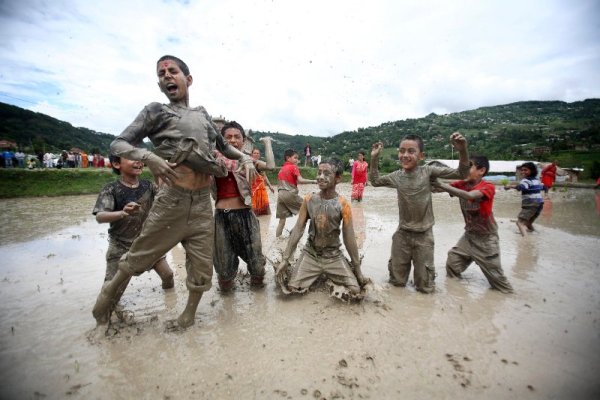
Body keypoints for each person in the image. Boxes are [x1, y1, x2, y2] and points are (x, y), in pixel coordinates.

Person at [92, 55, 256, 329]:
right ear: (159, 84)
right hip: (172, 200)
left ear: (188, 79)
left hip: (203, 203)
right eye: (161, 73)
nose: (167, 76)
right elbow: (118, 144)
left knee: (202, 266)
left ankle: (188, 315)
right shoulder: (156, 112)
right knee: (139, 255)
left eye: (173, 71)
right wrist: (149, 157)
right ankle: (107, 295)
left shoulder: (202, 115)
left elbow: (224, 149)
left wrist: (246, 158)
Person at [369, 133, 469, 293]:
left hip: (424, 236)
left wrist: (462, 150)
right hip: (402, 235)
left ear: (421, 156)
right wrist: (374, 158)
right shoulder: (397, 176)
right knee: (396, 283)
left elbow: (462, 174)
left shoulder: (428, 172)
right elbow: (374, 181)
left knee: (425, 286)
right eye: (402, 151)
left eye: (411, 151)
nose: (405, 155)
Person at [275, 158, 368, 299]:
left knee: (355, 292)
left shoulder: (343, 204)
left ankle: (337, 273)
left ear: (338, 178)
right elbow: (298, 229)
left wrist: (358, 269)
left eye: (326, 173)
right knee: (292, 289)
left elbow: (349, 239)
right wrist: (285, 259)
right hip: (311, 254)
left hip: (333, 256)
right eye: (319, 173)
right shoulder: (308, 200)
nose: (320, 177)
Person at [93, 155, 174, 299]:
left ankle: (170, 301)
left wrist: (162, 177)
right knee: (113, 289)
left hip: (147, 243)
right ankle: (107, 314)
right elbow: (100, 216)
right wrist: (123, 213)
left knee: (168, 275)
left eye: (139, 158)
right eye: (131, 158)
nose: (139, 161)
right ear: (117, 164)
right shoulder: (111, 189)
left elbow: (165, 200)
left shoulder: (148, 186)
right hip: (121, 245)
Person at [432, 156, 513, 293]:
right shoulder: (462, 183)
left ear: (481, 170)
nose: (464, 169)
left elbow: (469, 196)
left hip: (486, 239)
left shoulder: (488, 187)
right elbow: (437, 190)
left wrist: (441, 184)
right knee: (452, 264)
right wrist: (430, 181)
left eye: (469, 166)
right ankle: (458, 293)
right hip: (469, 236)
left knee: (500, 284)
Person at [212, 121, 275, 291]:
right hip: (221, 217)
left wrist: (267, 143)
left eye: (236, 137)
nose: (232, 140)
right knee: (223, 268)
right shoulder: (213, 159)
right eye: (228, 137)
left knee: (257, 265)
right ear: (221, 140)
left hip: (246, 215)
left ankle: (259, 304)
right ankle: (227, 307)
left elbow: (270, 166)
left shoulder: (248, 159)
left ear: (243, 140)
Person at [275, 148, 317, 237]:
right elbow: (300, 180)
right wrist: (313, 181)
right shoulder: (293, 167)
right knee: (307, 211)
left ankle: (277, 239)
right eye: (295, 158)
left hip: (280, 195)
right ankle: (293, 232)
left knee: (282, 220)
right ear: (288, 158)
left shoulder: (281, 169)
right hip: (289, 193)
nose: (297, 160)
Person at [504, 162, 544, 237]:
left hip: (531, 203)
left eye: (525, 170)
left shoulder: (525, 180)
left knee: (520, 223)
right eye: (522, 170)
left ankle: (525, 240)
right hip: (540, 203)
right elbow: (542, 187)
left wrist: (510, 186)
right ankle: (535, 234)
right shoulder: (536, 180)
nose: (523, 172)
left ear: (532, 170)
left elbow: (522, 187)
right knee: (528, 223)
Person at [251, 147, 275, 216]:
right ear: (251, 154)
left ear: (259, 155)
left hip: (262, 188)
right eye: (254, 153)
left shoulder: (260, 163)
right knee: (254, 209)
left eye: (257, 153)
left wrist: (270, 186)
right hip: (253, 189)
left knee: (266, 208)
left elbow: (264, 176)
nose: (256, 154)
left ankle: (266, 223)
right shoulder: (250, 163)